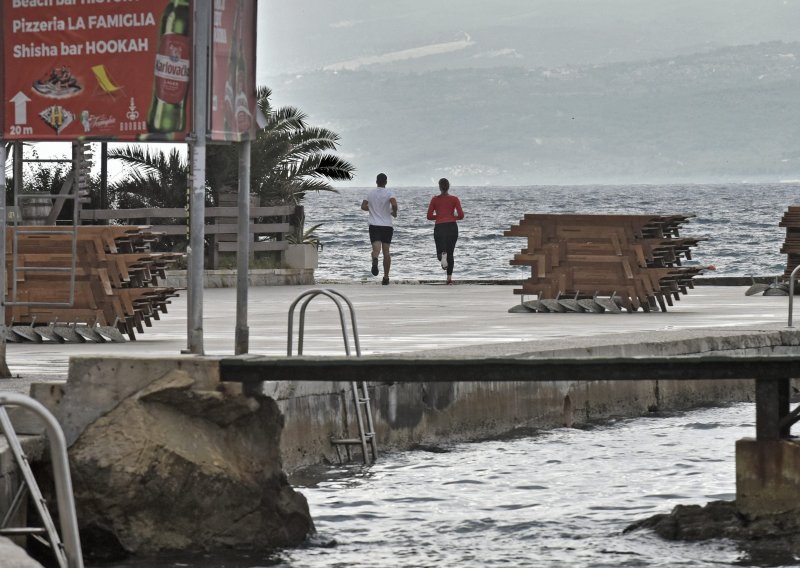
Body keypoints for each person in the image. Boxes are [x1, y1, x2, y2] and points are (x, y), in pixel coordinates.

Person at [361, 173, 398, 285]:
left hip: (374, 225)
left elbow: (363, 206)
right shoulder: (389, 192)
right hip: (387, 226)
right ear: (386, 182)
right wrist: (394, 212)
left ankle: (375, 259)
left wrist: (372, 209)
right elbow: (394, 204)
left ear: (376, 181)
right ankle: (386, 277)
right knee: (386, 252)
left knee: (376, 250)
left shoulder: (370, 193)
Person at [426, 178, 464, 284]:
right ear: (449, 186)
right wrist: (451, 216)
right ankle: (449, 279)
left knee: (441, 253)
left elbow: (429, 216)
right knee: (450, 253)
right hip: (452, 227)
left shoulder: (435, 199)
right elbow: (461, 215)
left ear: (439, 187)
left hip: (440, 227)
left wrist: (439, 216)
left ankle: (442, 256)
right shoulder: (454, 199)